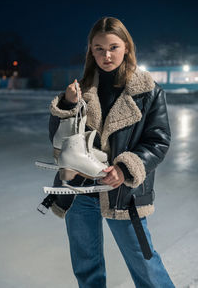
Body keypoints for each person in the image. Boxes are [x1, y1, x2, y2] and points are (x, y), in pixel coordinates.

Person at [48, 17, 175, 288]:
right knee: (86, 266)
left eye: (113, 47)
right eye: (99, 48)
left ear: (126, 47)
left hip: (122, 192)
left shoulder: (148, 91)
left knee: (145, 264)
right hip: (80, 191)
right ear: (91, 51)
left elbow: (159, 140)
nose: (106, 55)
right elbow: (59, 141)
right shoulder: (78, 91)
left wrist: (125, 168)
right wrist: (69, 105)